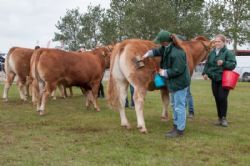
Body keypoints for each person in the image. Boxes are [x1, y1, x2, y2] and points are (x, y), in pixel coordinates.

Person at [142, 30, 191, 138]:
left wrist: (165, 72)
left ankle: (180, 130)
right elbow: (157, 51)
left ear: (164, 41)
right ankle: (176, 125)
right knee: (174, 105)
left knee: (179, 106)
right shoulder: (166, 48)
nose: (159, 43)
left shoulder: (177, 53)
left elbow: (178, 69)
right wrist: (148, 54)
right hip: (173, 82)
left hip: (180, 83)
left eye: (160, 42)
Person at [202, 34, 236, 127]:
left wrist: (223, 63)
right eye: (215, 41)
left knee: (222, 97)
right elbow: (207, 64)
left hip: (224, 79)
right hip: (214, 78)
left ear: (224, 42)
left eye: (219, 41)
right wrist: (204, 73)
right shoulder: (212, 53)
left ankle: (224, 118)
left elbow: (233, 64)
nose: (217, 43)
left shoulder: (228, 52)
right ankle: (219, 118)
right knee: (217, 97)